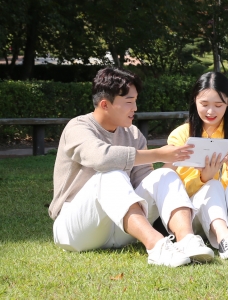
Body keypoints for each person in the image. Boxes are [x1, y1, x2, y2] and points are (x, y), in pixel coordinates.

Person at [50, 67, 215, 267]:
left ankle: (186, 240)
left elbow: (145, 182)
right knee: (111, 174)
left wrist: (173, 163)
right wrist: (158, 153)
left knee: (163, 175)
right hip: (76, 230)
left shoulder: (133, 134)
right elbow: (101, 158)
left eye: (135, 101)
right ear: (105, 104)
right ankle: (157, 246)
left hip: (119, 229)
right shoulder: (78, 127)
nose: (135, 108)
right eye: (129, 102)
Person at [165, 72, 228, 259]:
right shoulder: (180, 136)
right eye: (204, 104)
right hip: (197, 216)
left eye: (218, 105)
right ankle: (224, 239)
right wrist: (204, 178)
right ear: (194, 100)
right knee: (212, 185)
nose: (211, 112)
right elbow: (176, 191)